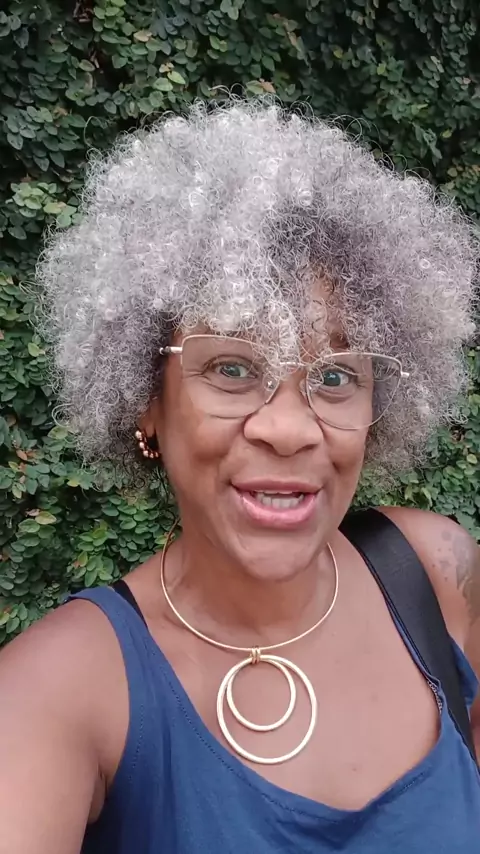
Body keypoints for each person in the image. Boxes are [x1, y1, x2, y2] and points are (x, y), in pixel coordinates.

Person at [1, 100, 479, 854]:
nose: (289, 428)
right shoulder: (57, 691)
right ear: (147, 400)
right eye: (231, 368)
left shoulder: (435, 575)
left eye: (334, 376)